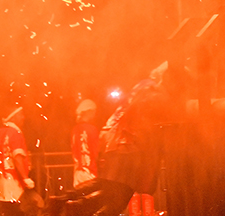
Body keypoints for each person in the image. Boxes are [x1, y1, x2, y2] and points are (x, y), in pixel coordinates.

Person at [48, 60, 190, 216]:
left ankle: (68, 201)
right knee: (119, 194)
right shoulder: (155, 92)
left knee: (111, 190)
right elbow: (155, 122)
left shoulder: (141, 87)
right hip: (131, 147)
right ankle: (74, 204)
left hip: (116, 143)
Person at [0, 105, 41, 216]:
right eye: (20, 115)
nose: (23, 117)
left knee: (7, 212)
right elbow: (17, 158)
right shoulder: (15, 134)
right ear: (13, 117)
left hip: (1, 184)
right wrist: (26, 179)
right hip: (14, 184)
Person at [71, 99, 99, 189]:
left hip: (78, 172)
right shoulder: (92, 129)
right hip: (90, 171)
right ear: (89, 112)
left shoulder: (75, 130)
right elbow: (96, 151)